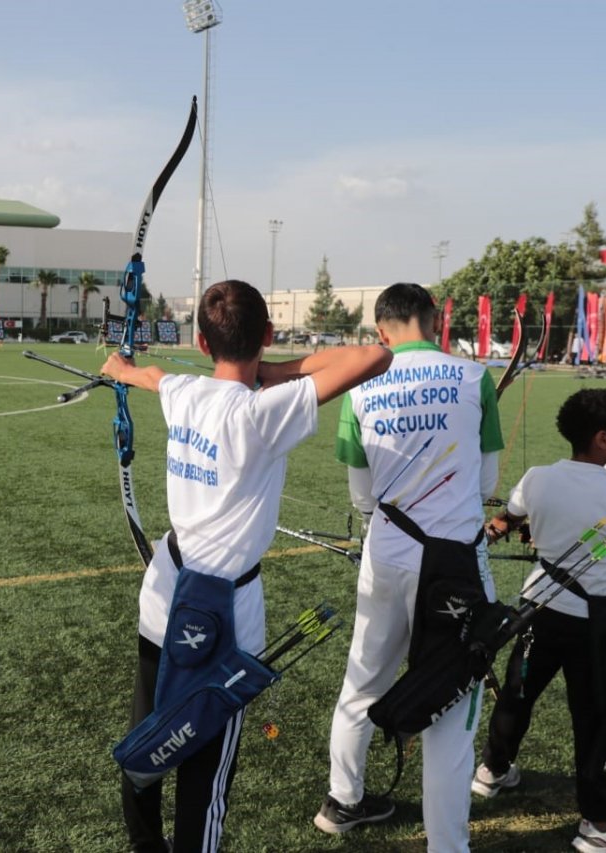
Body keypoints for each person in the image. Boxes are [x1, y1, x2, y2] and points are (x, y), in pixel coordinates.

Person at [103, 279, 391, 852]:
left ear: (203, 344)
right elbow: (375, 355)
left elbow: (153, 376)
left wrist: (119, 368)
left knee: (148, 734)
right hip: (227, 615)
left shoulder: (183, 392)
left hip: (163, 595)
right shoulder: (264, 413)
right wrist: (279, 368)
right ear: (267, 334)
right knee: (205, 770)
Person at [313, 283, 503, 851]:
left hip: (389, 554)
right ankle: (447, 844)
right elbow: (488, 484)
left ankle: (343, 801)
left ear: (381, 333)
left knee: (362, 683)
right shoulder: (473, 376)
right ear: (434, 319)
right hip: (457, 564)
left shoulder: (362, 381)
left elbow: (362, 495)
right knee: (452, 702)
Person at [475, 389, 606, 853]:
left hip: (537, 610)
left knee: (518, 693)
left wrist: (503, 529)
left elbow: (510, 517)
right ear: (603, 440)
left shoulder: (536, 477)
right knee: (594, 720)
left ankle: (491, 770)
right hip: (596, 623)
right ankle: (598, 825)